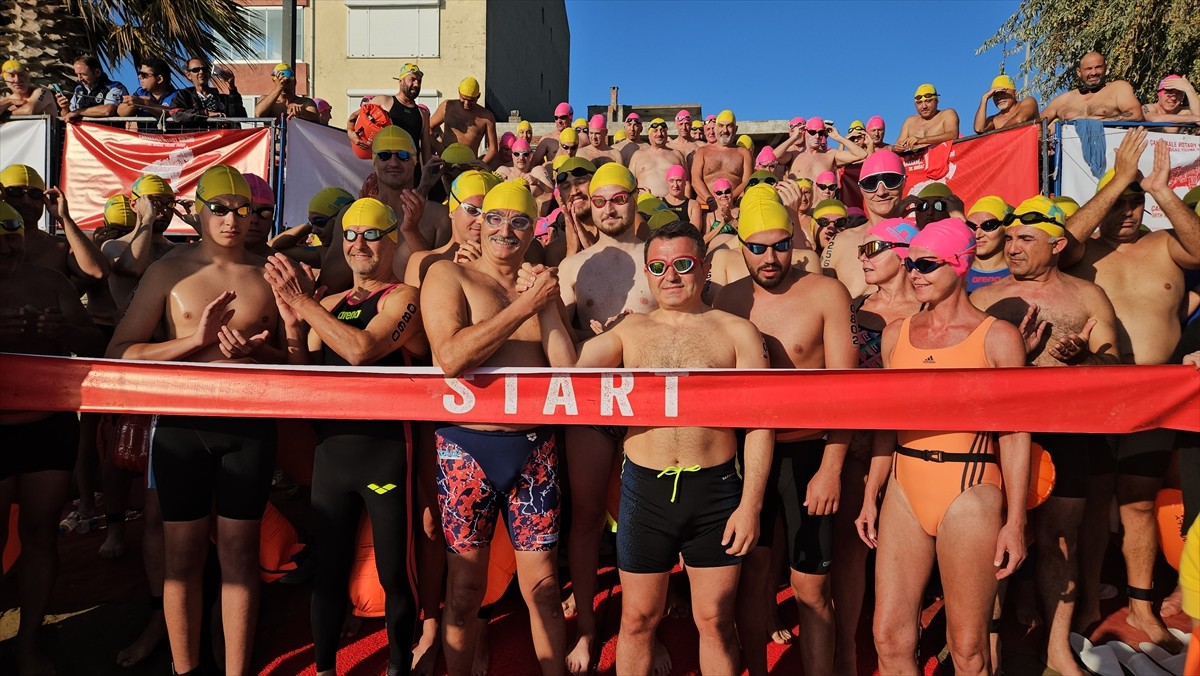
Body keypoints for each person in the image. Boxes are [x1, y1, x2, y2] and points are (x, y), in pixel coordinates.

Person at [535, 219, 773, 676]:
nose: (672, 276)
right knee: (638, 619)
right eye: (660, 266)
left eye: (683, 264)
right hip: (645, 493)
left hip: (716, 492)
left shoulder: (738, 332)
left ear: (703, 268)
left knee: (716, 621)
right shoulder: (630, 332)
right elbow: (568, 372)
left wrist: (751, 505)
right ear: (647, 273)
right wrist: (544, 306)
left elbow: (759, 424)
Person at [106, 166, 283, 676]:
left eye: (241, 209)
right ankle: (185, 670)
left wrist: (261, 353)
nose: (232, 219)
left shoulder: (268, 272)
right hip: (183, 426)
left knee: (240, 558)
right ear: (198, 210)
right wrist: (193, 340)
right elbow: (121, 352)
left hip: (248, 427)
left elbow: (296, 363)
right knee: (181, 562)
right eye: (220, 209)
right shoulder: (170, 271)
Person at [856, 218, 1030, 675]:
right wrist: (872, 493)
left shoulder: (998, 337)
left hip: (971, 491)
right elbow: (886, 423)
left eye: (927, 264)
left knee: (968, 647)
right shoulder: (897, 334)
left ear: (960, 263)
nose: (914, 272)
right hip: (904, 484)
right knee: (888, 638)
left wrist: (1016, 520)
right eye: (911, 263)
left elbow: (1015, 433)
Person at [265, 197, 425, 676]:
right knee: (329, 574)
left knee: (395, 574)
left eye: (372, 234)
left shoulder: (404, 298)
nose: (359, 244)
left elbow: (361, 350)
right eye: (351, 235)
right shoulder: (330, 304)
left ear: (391, 241)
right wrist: (293, 326)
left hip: (386, 454)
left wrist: (302, 304)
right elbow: (304, 374)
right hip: (332, 457)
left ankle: (398, 666)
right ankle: (326, 669)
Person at [1059, 130, 1200, 650]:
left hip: (1155, 393)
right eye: (1118, 204)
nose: (1126, 213)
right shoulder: (1082, 255)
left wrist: (1161, 191)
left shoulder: (1164, 246)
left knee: (1138, 504)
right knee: (1094, 503)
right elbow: (1060, 241)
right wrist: (1119, 177)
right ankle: (1093, 600)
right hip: (1096, 392)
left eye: (1133, 204)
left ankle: (1141, 606)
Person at [419, 180, 566, 676]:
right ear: (479, 224)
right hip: (466, 449)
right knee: (463, 592)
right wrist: (524, 306)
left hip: (534, 450)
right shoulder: (449, 275)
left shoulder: (538, 285)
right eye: (497, 218)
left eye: (520, 221)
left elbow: (566, 371)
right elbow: (452, 358)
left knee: (545, 590)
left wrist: (544, 301)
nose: (506, 229)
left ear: (533, 231)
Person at [969, 195, 1120, 676]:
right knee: (992, 536)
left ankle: (1056, 648)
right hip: (1001, 433)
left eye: (1025, 239)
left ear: (1057, 245)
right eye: (1009, 238)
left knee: (1059, 539)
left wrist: (1084, 361)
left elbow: (1117, 366)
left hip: (1066, 430)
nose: (1011, 247)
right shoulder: (986, 298)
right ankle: (988, 644)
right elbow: (961, 369)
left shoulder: (1086, 296)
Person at [714, 197, 855, 676]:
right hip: (747, 455)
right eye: (757, 248)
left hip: (807, 452)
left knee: (811, 588)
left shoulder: (825, 294)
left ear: (794, 242)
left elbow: (846, 391)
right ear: (741, 248)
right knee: (752, 578)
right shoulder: (727, 300)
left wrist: (831, 468)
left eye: (780, 247)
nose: (770, 259)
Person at [0, 200, 105, 676]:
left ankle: (28, 643)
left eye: (13, 238)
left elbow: (96, 346)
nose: (8, 249)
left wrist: (64, 329)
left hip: (47, 425)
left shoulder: (50, 282)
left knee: (41, 532)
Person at [833, 218, 921, 674]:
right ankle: (847, 649)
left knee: (902, 553)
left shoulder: (930, 310)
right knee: (851, 550)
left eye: (875, 248)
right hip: (858, 442)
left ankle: (901, 644)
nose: (863, 256)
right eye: (862, 249)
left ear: (905, 253)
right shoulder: (852, 307)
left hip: (912, 444)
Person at [0, 164, 109, 291]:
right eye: (15, 192)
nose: (26, 201)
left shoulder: (60, 248)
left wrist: (64, 218)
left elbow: (98, 272)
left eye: (35, 194)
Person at [823, 150, 907, 297]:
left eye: (891, 180)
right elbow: (818, 298)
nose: (881, 192)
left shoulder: (920, 239)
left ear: (904, 181)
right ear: (861, 188)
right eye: (871, 183)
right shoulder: (840, 242)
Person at [350, 63, 433, 164]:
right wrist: (350, 132)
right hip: (386, 169)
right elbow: (354, 115)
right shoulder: (384, 101)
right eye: (412, 79)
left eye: (419, 81)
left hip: (411, 172)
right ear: (401, 81)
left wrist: (428, 174)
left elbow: (426, 148)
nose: (416, 84)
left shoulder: (423, 113)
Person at [1040, 51, 1143, 122]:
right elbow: (1036, 124)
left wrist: (1102, 121)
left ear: (1105, 68)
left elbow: (1136, 114)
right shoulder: (1063, 100)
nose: (1093, 72)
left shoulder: (1118, 88)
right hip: (1070, 152)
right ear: (1079, 72)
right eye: (1088, 69)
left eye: (1098, 67)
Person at [776, 117, 867, 184]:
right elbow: (774, 156)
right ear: (805, 132)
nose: (817, 136)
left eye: (820, 133)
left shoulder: (830, 155)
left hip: (822, 207)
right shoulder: (794, 155)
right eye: (812, 132)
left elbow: (861, 154)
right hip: (799, 207)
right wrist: (794, 137)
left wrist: (838, 137)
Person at [692, 109, 753, 207]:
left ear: (736, 129)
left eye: (729, 126)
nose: (725, 130)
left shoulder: (743, 153)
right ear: (715, 128)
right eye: (721, 126)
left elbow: (746, 182)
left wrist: (730, 200)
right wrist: (711, 201)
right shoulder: (702, 152)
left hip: (733, 206)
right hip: (706, 205)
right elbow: (695, 180)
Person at [430, 77, 497, 164]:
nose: (466, 103)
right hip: (446, 162)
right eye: (463, 98)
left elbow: (493, 149)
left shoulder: (487, 117)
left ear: (478, 96)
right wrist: (438, 147)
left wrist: (478, 166)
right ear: (459, 92)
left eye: (471, 100)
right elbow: (428, 126)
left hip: (469, 164)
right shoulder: (447, 107)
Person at [54, 54, 127, 123]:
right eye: (77, 75)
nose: (79, 79)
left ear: (97, 72)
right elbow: (67, 116)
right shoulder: (79, 89)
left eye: (83, 74)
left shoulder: (115, 87)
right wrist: (64, 108)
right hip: (80, 134)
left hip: (107, 134)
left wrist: (79, 112)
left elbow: (108, 110)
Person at [172, 58, 246, 123]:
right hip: (196, 137)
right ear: (188, 75)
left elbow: (239, 114)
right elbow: (176, 114)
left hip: (220, 138)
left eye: (204, 69)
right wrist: (205, 114)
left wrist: (231, 86)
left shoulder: (223, 99)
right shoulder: (184, 96)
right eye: (196, 70)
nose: (201, 72)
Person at [628, 118, 687, 198]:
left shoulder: (677, 155)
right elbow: (629, 183)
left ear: (666, 134)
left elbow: (687, 183)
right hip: (644, 203)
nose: (659, 134)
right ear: (649, 135)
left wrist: (686, 205)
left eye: (662, 130)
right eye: (655, 131)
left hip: (671, 204)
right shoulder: (638, 155)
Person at [965, 196, 1013, 292]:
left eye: (988, 226)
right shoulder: (955, 273)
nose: (978, 235)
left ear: (1005, 228)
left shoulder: (1021, 272)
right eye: (971, 226)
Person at [116, 57, 181, 127]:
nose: (139, 77)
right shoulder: (140, 92)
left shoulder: (178, 96)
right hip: (142, 137)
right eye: (139, 73)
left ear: (159, 79)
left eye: (144, 75)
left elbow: (172, 112)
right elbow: (121, 112)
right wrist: (133, 105)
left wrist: (144, 103)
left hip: (168, 137)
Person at [895, 84, 960, 151]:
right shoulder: (910, 121)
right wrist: (896, 148)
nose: (924, 106)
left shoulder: (947, 114)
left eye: (928, 101)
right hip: (917, 161)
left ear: (936, 101)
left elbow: (953, 135)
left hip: (941, 159)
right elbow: (897, 146)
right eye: (919, 103)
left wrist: (922, 140)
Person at [973, 74, 1039, 134]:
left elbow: (1019, 119)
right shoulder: (994, 119)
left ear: (1015, 92)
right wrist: (984, 98)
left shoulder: (1028, 102)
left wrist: (998, 136)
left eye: (1003, 93)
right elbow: (979, 129)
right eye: (995, 95)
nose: (999, 97)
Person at [253, 63, 318, 122]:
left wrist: (303, 112)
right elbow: (258, 114)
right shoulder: (267, 101)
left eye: (287, 82)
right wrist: (279, 88)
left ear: (295, 82)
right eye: (281, 82)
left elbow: (317, 119)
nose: (284, 85)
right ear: (275, 82)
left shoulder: (305, 103)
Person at [531, 102, 575, 167]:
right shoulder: (547, 139)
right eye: (556, 118)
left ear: (570, 117)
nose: (559, 121)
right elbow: (533, 164)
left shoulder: (580, 138)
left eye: (562, 117)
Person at [662, 164, 702, 229]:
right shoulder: (659, 202)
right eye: (671, 181)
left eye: (679, 181)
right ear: (666, 183)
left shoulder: (693, 205)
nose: (675, 185)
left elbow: (694, 232)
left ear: (685, 183)